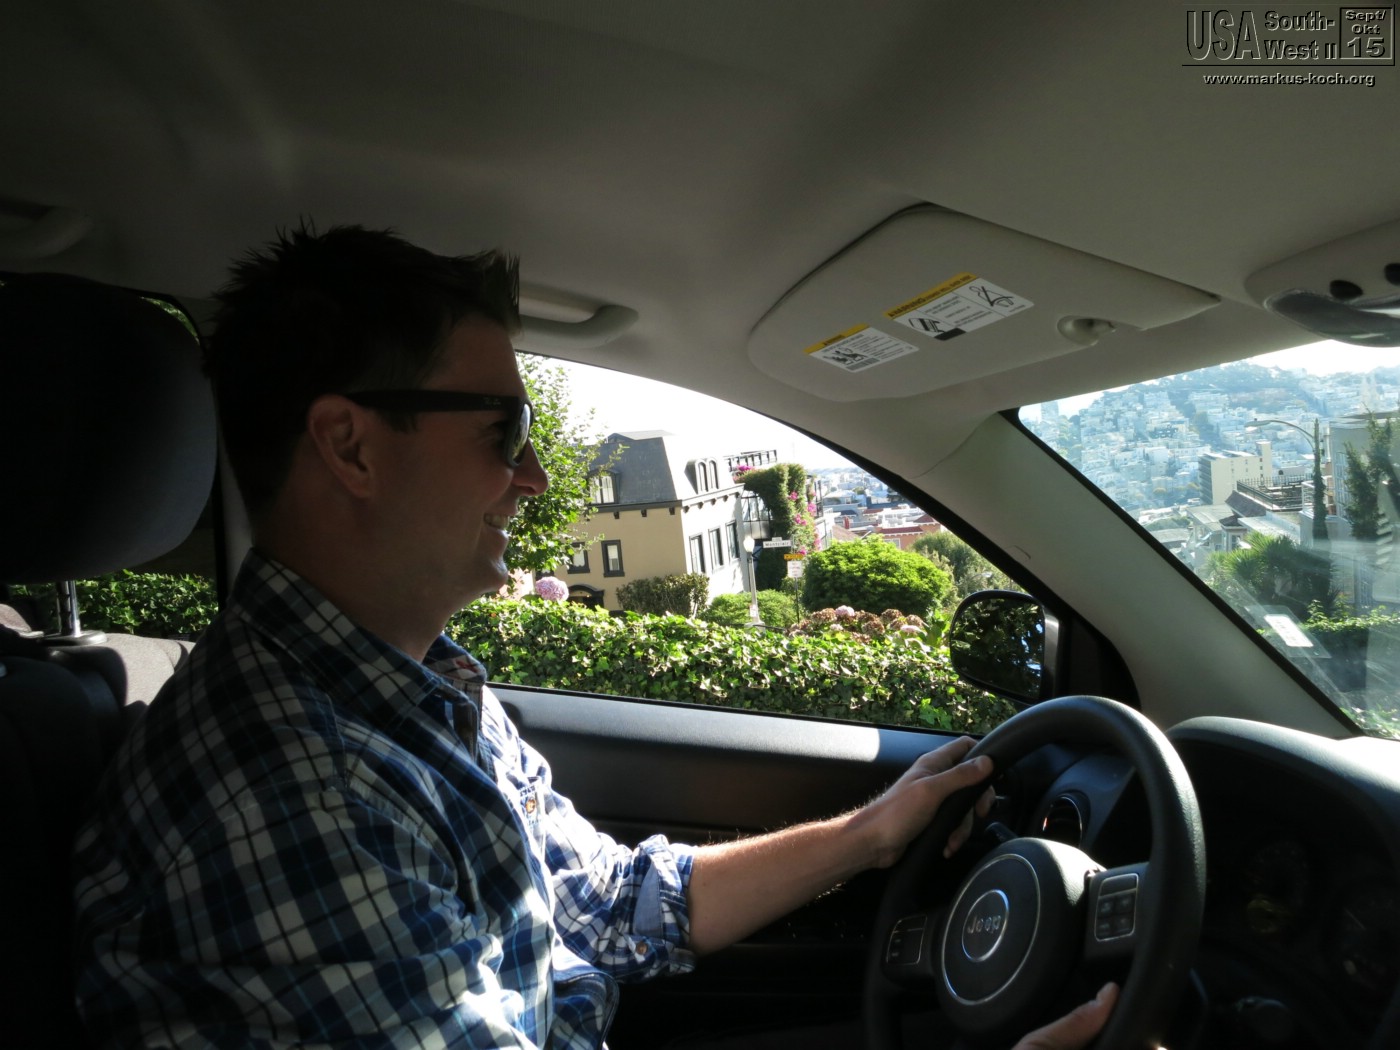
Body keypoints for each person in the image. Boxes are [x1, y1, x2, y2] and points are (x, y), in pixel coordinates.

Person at [71, 225, 1118, 1049]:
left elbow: (611, 902)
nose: (532, 478)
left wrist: (873, 833)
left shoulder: (413, 688)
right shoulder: (295, 789)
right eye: (505, 433)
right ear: (350, 446)